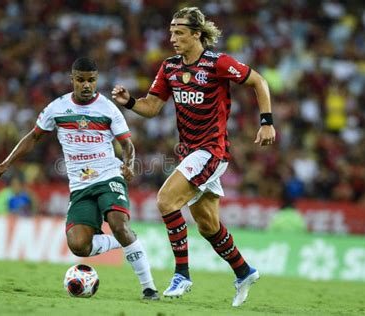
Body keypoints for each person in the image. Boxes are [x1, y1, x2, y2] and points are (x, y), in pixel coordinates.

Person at [112, 7, 276, 307]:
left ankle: (182, 274)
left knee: (164, 201)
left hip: (212, 150)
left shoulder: (218, 63)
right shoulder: (170, 67)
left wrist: (266, 121)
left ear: (196, 34)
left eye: (180, 33)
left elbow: (259, 82)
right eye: (171, 32)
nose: (173, 38)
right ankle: (244, 271)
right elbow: (151, 107)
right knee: (208, 224)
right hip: (190, 152)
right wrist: (130, 102)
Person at [0, 57, 159, 300]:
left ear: (96, 80)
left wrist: (128, 165)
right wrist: (7, 162)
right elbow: (33, 137)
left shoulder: (108, 108)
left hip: (108, 176)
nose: (86, 85)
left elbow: (127, 144)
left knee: (118, 223)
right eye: (80, 80)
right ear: (72, 80)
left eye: (91, 80)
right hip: (80, 185)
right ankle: (126, 241)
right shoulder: (56, 108)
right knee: (79, 245)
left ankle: (149, 287)